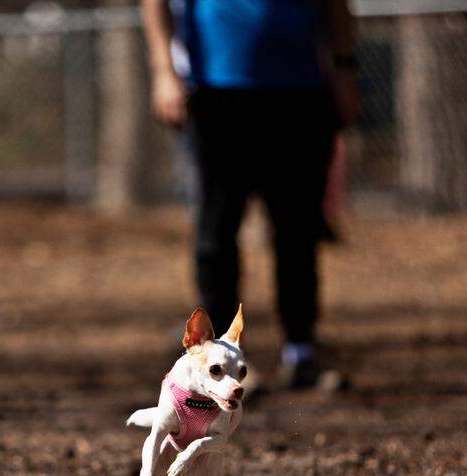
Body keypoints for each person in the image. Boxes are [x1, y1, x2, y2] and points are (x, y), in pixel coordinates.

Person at [141, 0, 359, 389]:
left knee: (298, 231)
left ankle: (301, 351)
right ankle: (224, 358)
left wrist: (343, 67)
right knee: (217, 233)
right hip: (217, 92)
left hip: (299, 92)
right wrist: (163, 70)